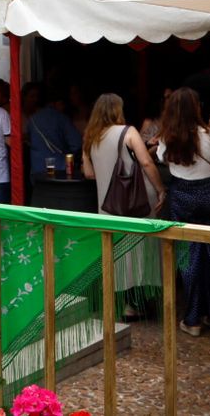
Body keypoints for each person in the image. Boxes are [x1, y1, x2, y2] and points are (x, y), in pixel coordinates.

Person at [83, 92, 165, 317]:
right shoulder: (128, 132)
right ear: (117, 110)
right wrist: (161, 189)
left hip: (107, 205)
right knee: (142, 248)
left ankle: (128, 303)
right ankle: (143, 300)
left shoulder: (90, 137)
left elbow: (89, 174)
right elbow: (146, 162)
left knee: (118, 254)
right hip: (135, 201)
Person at [157, 88, 210, 336]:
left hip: (183, 198)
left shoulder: (168, 138)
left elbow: (162, 158)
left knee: (189, 258)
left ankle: (193, 320)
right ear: (196, 108)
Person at [26, 84, 81, 178]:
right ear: (57, 102)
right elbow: (77, 143)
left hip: (37, 170)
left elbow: (30, 141)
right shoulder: (61, 118)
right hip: (60, 168)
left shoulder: (32, 120)